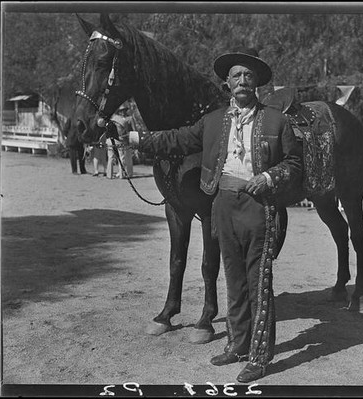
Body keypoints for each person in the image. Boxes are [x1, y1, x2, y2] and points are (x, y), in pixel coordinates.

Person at [116, 48, 302, 383]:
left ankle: (259, 357)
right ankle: (237, 344)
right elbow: (176, 139)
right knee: (233, 279)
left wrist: (270, 177)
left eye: (248, 76)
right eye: (236, 76)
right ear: (228, 83)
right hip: (222, 206)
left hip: (259, 206)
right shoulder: (214, 120)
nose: (242, 81)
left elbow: (294, 163)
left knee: (258, 282)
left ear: (257, 83)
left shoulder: (277, 121)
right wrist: (131, 137)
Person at [106, 103, 136, 179]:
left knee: (112, 157)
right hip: (121, 140)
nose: (123, 112)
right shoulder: (126, 119)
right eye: (122, 111)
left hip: (113, 139)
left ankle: (110, 175)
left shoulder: (113, 118)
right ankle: (122, 175)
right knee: (122, 158)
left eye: (124, 110)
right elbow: (133, 130)